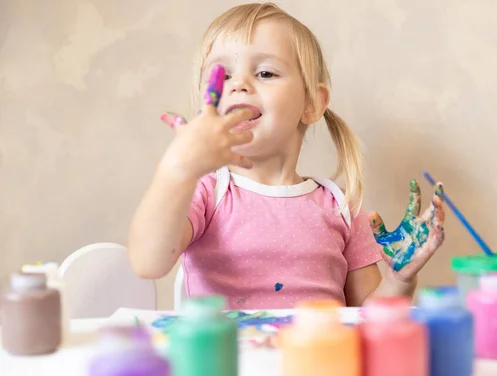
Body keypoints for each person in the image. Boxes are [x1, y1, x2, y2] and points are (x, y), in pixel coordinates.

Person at [128, 2, 446, 309]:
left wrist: (400, 280)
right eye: (222, 76)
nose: (238, 84)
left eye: (265, 73)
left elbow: (370, 316)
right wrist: (177, 170)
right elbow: (148, 262)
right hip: (230, 362)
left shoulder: (341, 206)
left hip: (318, 361)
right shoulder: (207, 195)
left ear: (312, 103)